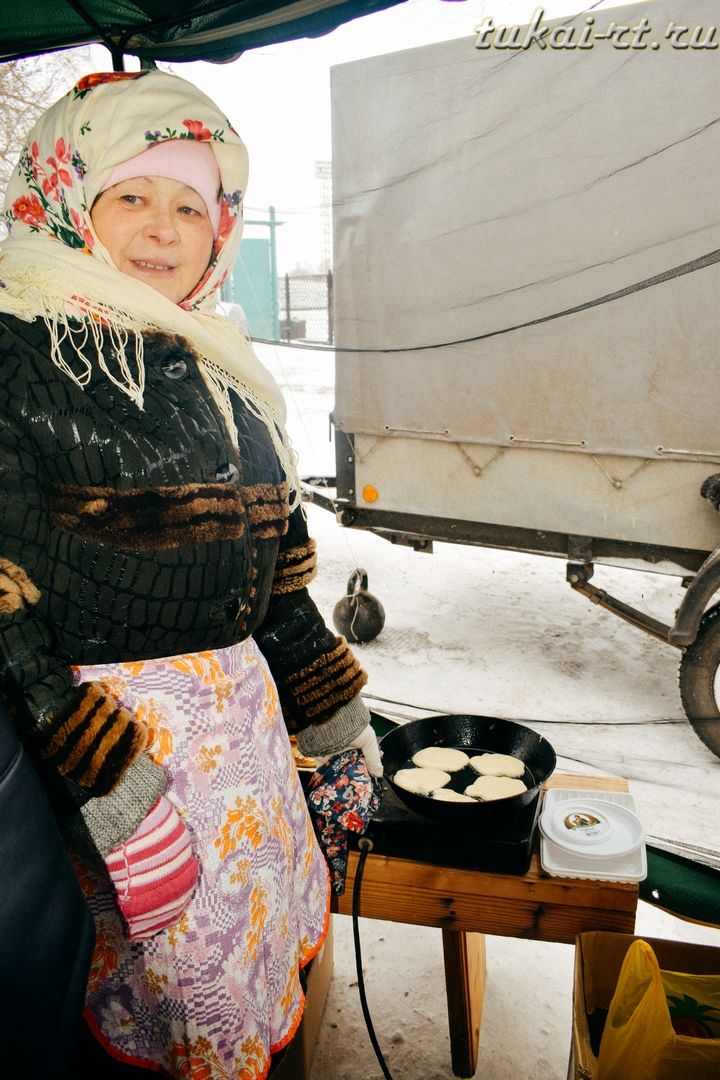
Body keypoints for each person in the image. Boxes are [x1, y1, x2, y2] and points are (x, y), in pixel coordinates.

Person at [0, 69, 382, 1078]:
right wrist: (108, 786)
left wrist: (334, 715)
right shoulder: (16, 347)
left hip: (241, 758)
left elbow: (276, 569)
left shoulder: (221, 362)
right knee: (143, 1018)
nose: (164, 231)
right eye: (132, 196)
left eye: (190, 205)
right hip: (106, 760)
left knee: (238, 986)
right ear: (67, 198)